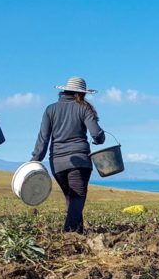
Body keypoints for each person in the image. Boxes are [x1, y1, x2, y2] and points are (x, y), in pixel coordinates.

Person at [30, 77, 105, 233]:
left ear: (64, 90)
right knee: (77, 199)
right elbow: (96, 133)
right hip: (80, 162)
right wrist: (99, 139)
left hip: (57, 164)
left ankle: (78, 233)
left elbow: (43, 139)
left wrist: (34, 161)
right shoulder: (84, 108)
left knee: (71, 199)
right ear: (82, 93)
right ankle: (68, 234)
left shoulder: (50, 109)